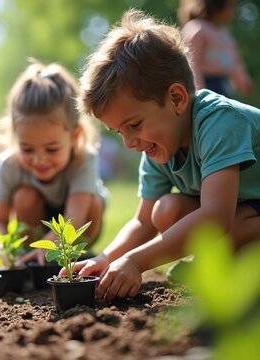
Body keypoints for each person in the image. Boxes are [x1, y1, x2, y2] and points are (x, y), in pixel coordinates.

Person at [72, 9, 260, 303]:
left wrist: (136, 262)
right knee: (165, 209)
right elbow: (144, 222)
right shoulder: (158, 145)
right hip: (245, 206)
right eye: (119, 132)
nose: (130, 143)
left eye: (134, 125)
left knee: (229, 230)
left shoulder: (220, 122)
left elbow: (216, 216)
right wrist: (107, 258)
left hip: (242, 212)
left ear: (176, 98)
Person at [0, 60, 108, 266]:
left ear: (74, 136)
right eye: (27, 149)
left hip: (76, 225)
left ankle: (75, 258)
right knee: (24, 197)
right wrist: (2, 248)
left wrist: (52, 243)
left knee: (93, 203)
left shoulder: (84, 159)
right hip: (35, 230)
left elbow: (74, 219)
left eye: (51, 149)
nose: (39, 159)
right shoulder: (9, 164)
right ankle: (32, 258)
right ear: (15, 136)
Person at [178, 0, 253, 98]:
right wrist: (199, 95)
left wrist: (242, 80)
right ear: (217, 5)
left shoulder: (224, 33)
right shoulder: (198, 29)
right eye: (229, 7)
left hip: (225, 86)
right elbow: (192, 63)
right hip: (208, 84)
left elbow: (234, 61)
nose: (232, 12)